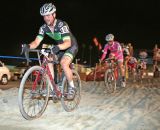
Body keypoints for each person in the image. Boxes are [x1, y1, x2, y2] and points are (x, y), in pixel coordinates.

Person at [23, 3, 78, 99]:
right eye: (44, 16)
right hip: (60, 47)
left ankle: (72, 87)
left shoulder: (62, 25)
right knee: (47, 59)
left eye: (48, 15)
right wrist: (28, 46)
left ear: (54, 15)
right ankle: (53, 88)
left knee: (64, 63)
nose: (46, 18)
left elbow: (68, 43)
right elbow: (36, 42)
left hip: (70, 46)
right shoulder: (43, 28)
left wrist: (57, 47)